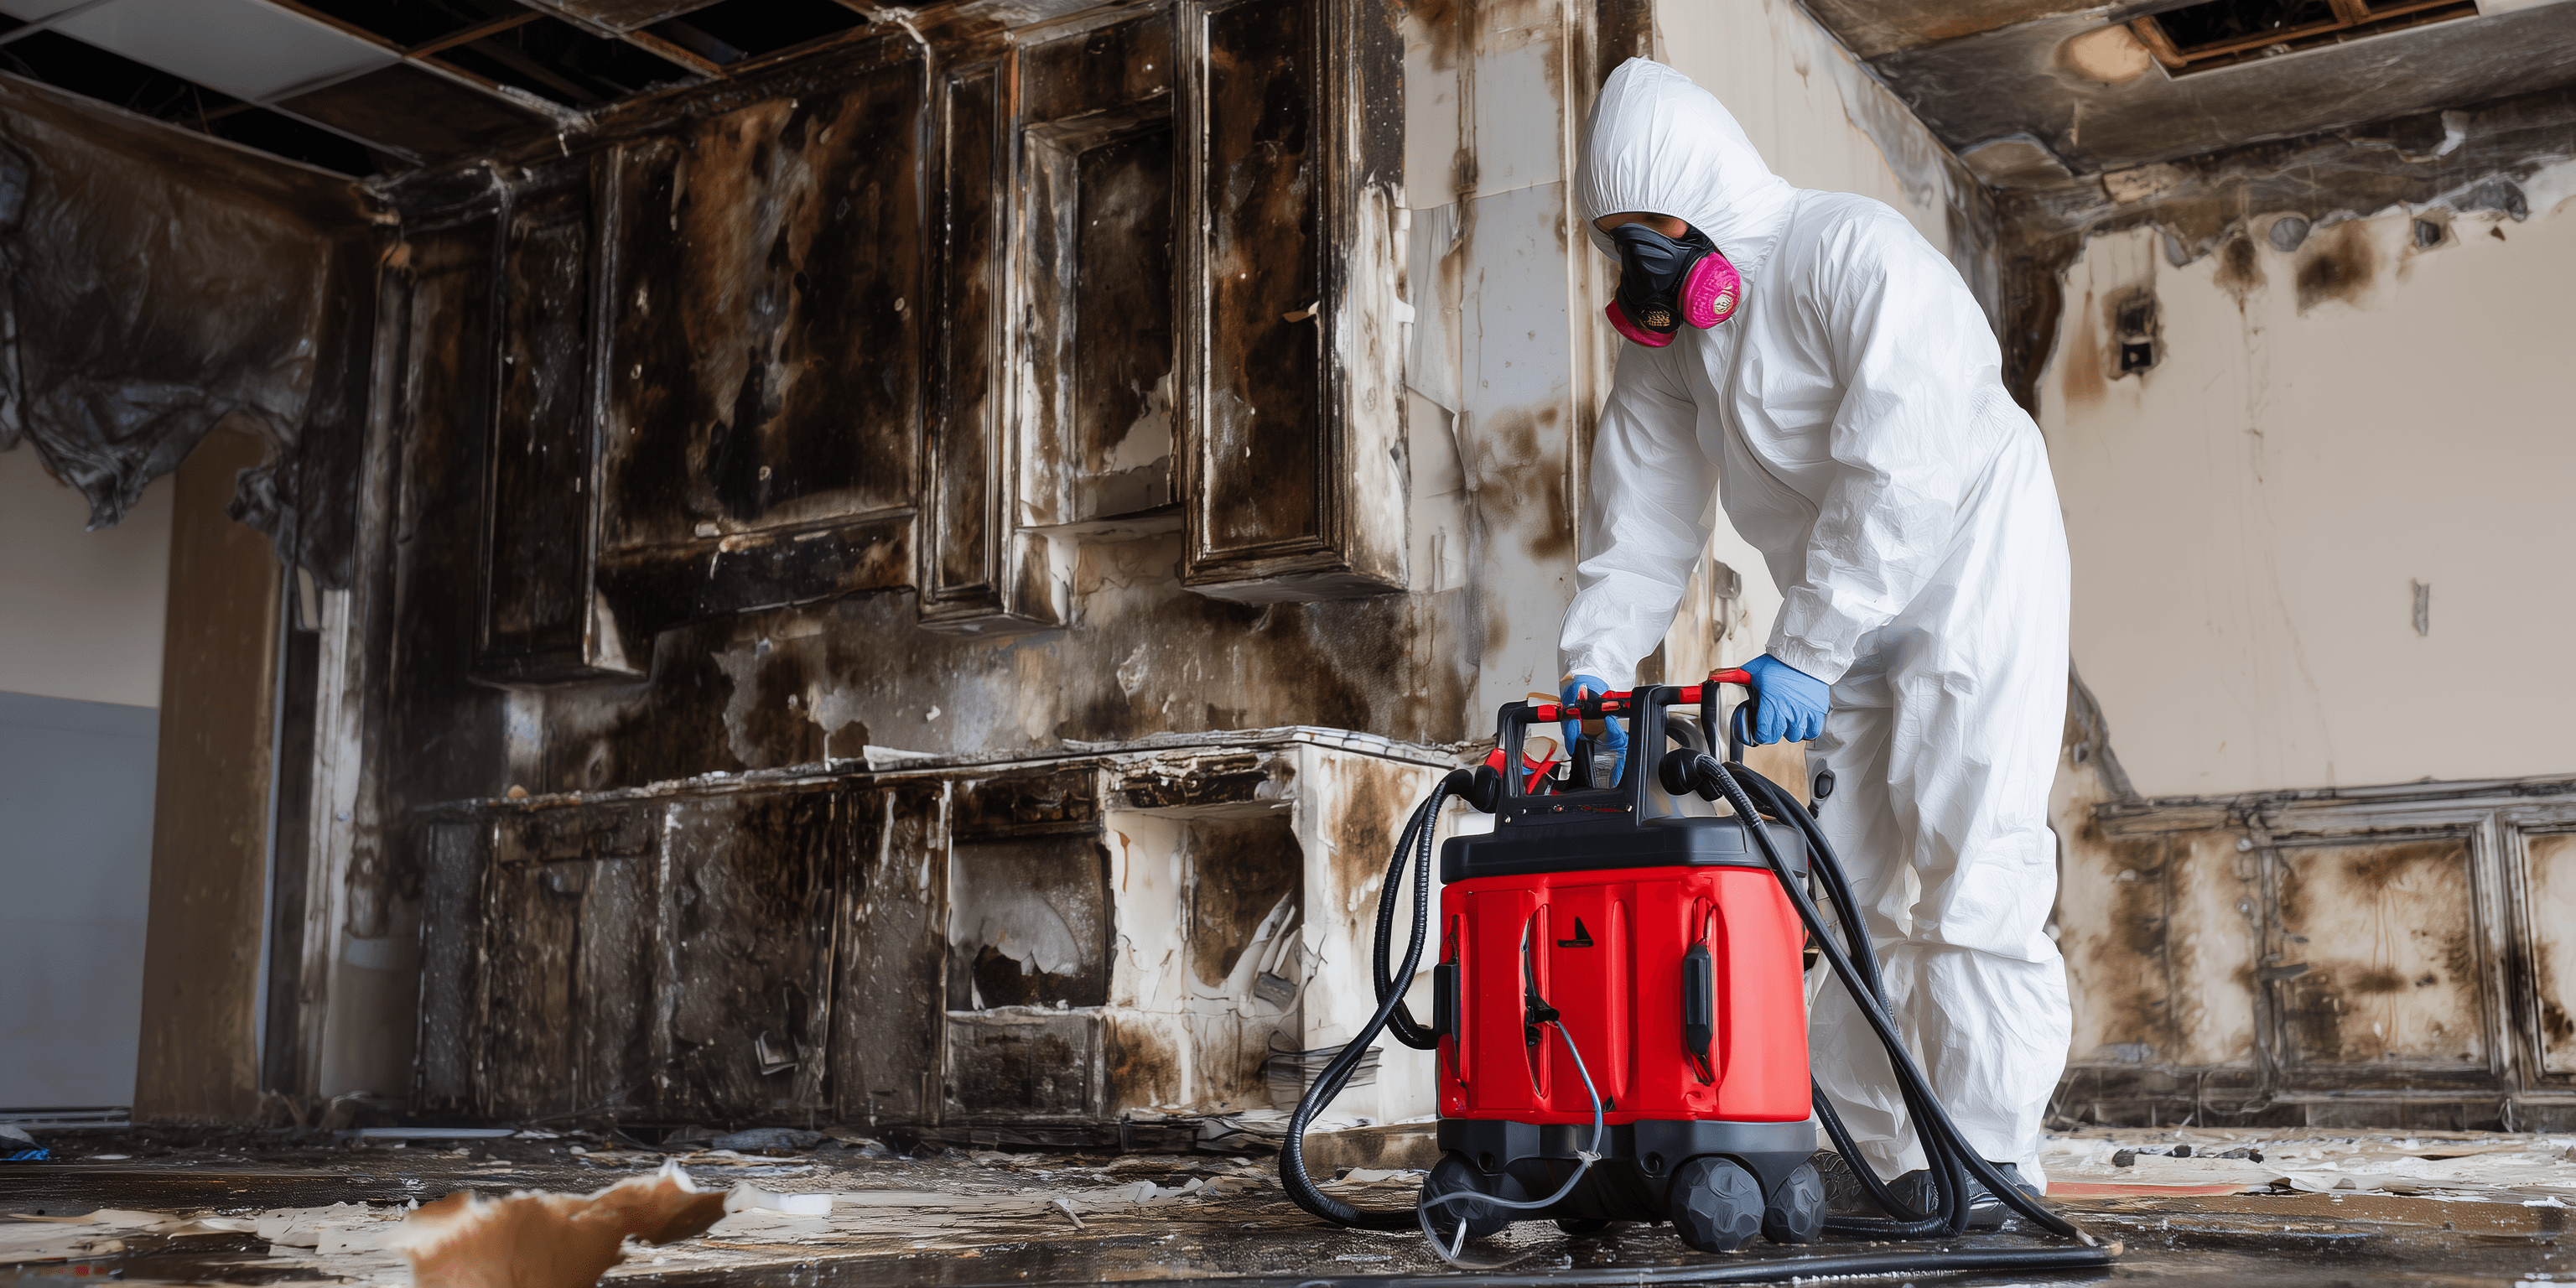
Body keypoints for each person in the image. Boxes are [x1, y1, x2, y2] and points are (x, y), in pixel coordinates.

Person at [1554, 58, 2073, 1220]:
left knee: (1971, 861)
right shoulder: (1669, 347)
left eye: (1657, 235)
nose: (1642, 268)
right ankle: (1875, 1153)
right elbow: (1637, 522)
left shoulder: (1854, 254)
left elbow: (1905, 468)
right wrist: (1590, 678)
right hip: (1831, 614)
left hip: (1970, 564)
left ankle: (1994, 1166)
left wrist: (1807, 649)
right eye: (1618, 241)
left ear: (1708, 201)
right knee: (1844, 888)